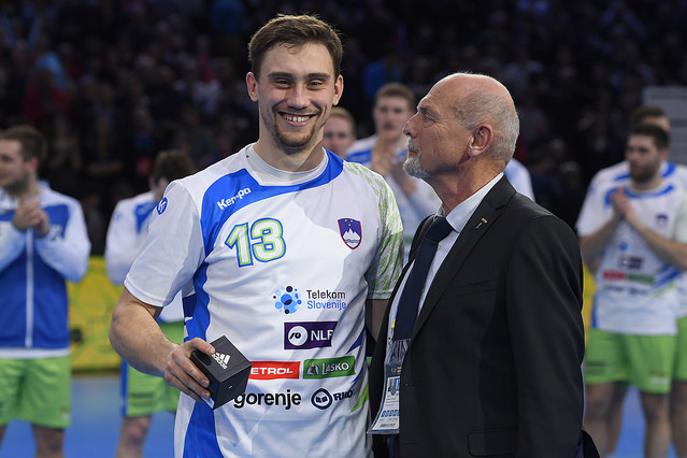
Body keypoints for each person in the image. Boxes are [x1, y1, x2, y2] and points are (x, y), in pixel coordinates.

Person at [109, 14, 403, 457]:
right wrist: (169, 355)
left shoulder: (373, 193)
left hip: (343, 447)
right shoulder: (198, 195)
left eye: (315, 83)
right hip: (224, 446)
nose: (299, 99)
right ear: (253, 86)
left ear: (337, 90)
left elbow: (385, 327)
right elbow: (127, 317)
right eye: (281, 81)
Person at [369, 73, 591, 457]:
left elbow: (551, 395)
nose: (408, 126)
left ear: (478, 140)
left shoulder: (533, 234)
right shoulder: (431, 230)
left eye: (427, 115)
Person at [576, 105, 687, 458]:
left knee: (666, 403)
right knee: (598, 402)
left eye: (645, 149)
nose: (635, 156)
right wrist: (616, 220)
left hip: (663, 312)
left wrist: (636, 222)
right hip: (610, 310)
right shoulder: (608, 185)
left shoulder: (681, 189)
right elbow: (585, 249)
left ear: (662, 149)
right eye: (632, 149)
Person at [0, 125, 90, 457]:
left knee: (51, 446)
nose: (0, 166)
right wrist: (15, 230)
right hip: (0, 350)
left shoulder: (65, 209)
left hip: (49, 348)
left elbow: (77, 269)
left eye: (7, 159)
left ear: (31, 163)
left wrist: (44, 234)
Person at [105, 150, 195, 458]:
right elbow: (115, 267)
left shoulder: (196, 203)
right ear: (152, 182)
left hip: (188, 326)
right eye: (164, 187)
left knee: (190, 423)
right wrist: (160, 233)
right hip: (144, 326)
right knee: (136, 426)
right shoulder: (130, 209)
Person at [347, 82, 440, 258]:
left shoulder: (426, 155)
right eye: (383, 109)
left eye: (397, 111)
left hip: (413, 254)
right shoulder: (353, 154)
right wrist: (374, 179)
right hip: (364, 252)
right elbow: (345, 210)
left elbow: (438, 217)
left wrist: (405, 184)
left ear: (410, 116)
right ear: (374, 112)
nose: (389, 117)